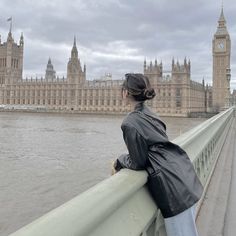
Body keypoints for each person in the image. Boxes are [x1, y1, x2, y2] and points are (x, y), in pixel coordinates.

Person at [112, 73, 203, 236]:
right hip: (184, 175)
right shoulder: (151, 113)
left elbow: (138, 162)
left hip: (173, 188)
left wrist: (119, 160)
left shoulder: (129, 123)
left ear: (125, 93)